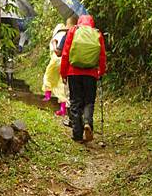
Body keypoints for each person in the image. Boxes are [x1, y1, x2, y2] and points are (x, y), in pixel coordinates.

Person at [60, 14, 106, 142]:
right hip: (91, 74)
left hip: (73, 73)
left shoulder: (73, 31)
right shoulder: (97, 34)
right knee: (89, 101)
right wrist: (101, 71)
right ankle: (87, 122)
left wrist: (63, 73)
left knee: (75, 102)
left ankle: (77, 134)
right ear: (92, 23)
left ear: (79, 22)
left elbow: (65, 54)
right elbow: (102, 56)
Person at [42, 22, 69, 116]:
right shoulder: (68, 34)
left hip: (56, 60)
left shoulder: (59, 34)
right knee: (61, 83)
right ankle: (62, 109)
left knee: (48, 77)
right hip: (65, 61)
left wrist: (53, 44)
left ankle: (47, 98)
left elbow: (56, 48)